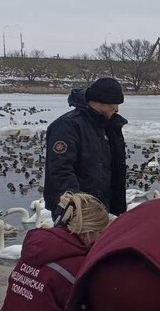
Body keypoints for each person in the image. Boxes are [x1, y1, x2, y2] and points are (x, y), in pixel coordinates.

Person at [44, 77, 128, 219]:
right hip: (76, 211)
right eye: (114, 104)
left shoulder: (108, 126)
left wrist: (117, 208)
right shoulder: (67, 126)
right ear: (101, 102)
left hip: (103, 207)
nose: (117, 109)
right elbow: (60, 171)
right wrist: (78, 208)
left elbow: (112, 168)